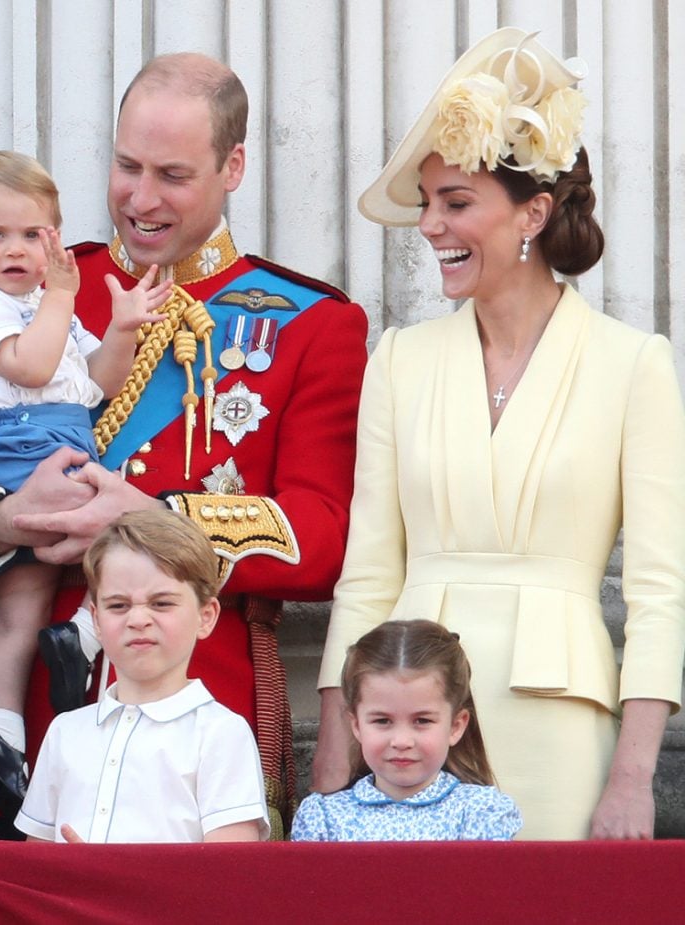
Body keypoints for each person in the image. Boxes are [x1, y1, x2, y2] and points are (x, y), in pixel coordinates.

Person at [0, 52, 368, 839]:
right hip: (12, 737)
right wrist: (2, 519)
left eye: (172, 174)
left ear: (233, 166)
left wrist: (157, 521)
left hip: (195, 749)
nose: (141, 197)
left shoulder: (312, 324)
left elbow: (326, 536)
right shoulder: (32, 283)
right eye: (126, 166)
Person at [312, 28, 685, 840]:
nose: (430, 227)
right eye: (427, 204)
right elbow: (367, 571)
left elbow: (661, 594)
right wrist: (334, 757)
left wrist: (633, 777)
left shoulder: (636, 364)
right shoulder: (400, 358)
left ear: (534, 212)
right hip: (405, 723)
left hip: (561, 726)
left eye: (456, 203)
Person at [0, 151, 171, 819]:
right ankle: (82, 636)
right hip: (24, 450)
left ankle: (2, 737)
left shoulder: (41, 302)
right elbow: (35, 366)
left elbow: (94, 381)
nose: (16, 251)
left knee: (16, 621)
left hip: (56, 433)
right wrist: (66, 296)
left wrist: (123, 327)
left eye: (32, 235)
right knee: (130, 530)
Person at [15, 509, 269, 843]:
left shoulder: (221, 733)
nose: (137, 619)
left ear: (205, 617)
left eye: (161, 603)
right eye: (118, 606)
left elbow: (230, 873)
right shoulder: (65, 731)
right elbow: (36, 864)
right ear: (96, 620)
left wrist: (112, 880)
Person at [292, 620, 520, 841]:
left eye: (422, 721)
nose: (401, 741)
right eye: (382, 721)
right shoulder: (323, 817)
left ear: (455, 726)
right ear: (356, 725)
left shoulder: (481, 812)